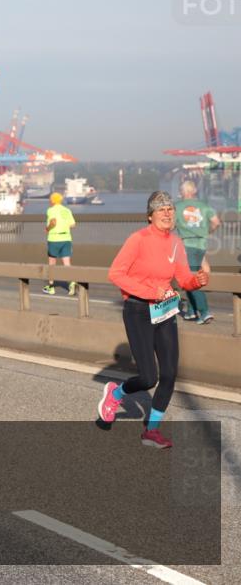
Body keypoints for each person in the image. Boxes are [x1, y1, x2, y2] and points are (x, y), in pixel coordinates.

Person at [99, 191, 209, 449]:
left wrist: (197, 281)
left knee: (169, 374)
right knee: (149, 378)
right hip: (138, 310)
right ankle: (115, 394)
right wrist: (151, 292)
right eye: (161, 209)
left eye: (170, 209)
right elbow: (115, 274)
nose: (167, 213)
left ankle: (152, 431)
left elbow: (183, 279)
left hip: (166, 310)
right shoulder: (137, 240)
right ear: (150, 216)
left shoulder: (176, 243)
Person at [174, 180, 221, 324]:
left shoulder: (177, 207)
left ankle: (204, 311)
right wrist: (207, 231)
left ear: (183, 192)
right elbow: (216, 222)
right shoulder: (204, 206)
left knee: (191, 278)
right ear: (194, 192)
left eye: (181, 191)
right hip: (201, 245)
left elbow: (169, 225)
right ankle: (191, 311)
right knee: (188, 276)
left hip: (186, 244)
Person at [43, 192, 77, 295]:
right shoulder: (67, 210)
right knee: (67, 262)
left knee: (52, 263)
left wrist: (47, 229)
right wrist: (64, 224)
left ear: (52, 200)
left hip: (54, 238)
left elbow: (51, 225)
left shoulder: (50, 210)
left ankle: (51, 287)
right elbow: (73, 224)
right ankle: (71, 283)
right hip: (66, 238)